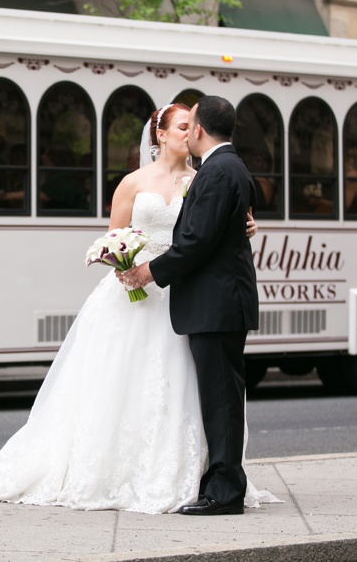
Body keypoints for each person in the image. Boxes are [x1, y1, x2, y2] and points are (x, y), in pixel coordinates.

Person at [0, 103, 278, 515]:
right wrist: (123, 260)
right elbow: (114, 237)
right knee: (126, 384)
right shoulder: (134, 183)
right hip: (144, 291)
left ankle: (198, 475)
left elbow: (213, 228)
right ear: (160, 134)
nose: (187, 133)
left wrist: (248, 224)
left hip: (179, 291)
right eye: (181, 126)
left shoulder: (207, 175)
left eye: (191, 126)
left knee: (193, 391)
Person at [120, 96, 260, 516]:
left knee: (220, 400)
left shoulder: (216, 171)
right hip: (216, 302)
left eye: (189, 125)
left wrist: (149, 272)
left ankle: (224, 491)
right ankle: (220, 481)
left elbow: (195, 243)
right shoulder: (229, 167)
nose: (186, 132)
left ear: (199, 129)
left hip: (215, 304)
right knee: (221, 399)